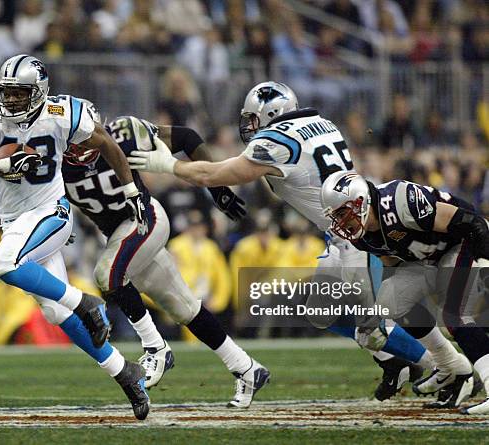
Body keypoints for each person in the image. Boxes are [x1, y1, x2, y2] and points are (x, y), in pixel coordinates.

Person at [127, 81, 435, 401]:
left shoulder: (278, 140)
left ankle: (440, 365)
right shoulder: (322, 124)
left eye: (254, 118)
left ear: (271, 113)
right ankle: (394, 362)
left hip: (357, 236)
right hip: (345, 229)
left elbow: (218, 174)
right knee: (324, 311)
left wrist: (169, 165)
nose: (250, 126)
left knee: (371, 326)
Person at [0, 54, 150, 420]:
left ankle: (87, 302)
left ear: (40, 92)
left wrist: (131, 192)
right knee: (54, 311)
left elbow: (107, 143)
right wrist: (2, 164)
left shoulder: (62, 114)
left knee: (3, 262)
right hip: (15, 222)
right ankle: (126, 373)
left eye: (20, 94)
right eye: (6, 93)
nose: (10, 101)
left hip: (52, 212)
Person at [63, 108, 269, 408]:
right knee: (185, 308)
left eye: (89, 134)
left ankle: (155, 347)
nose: (83, 143)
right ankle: (247, 368)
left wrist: (217, 186)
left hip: (145, 220)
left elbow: (187, 137)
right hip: (122, 237)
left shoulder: (124, 132)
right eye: (76, 137)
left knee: (106, 274)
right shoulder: (54, 160)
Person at [321, 171, 489, 414]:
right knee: (391, 301)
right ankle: (450, 367)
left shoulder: (401, 201)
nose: (340, 222)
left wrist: (482, 265)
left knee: (455, 314)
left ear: (360, 201)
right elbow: (392, 263)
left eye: (341, 212)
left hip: (462, 242)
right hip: (427, 258)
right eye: (335, 216)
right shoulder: (361, 234)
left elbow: (470, 223)